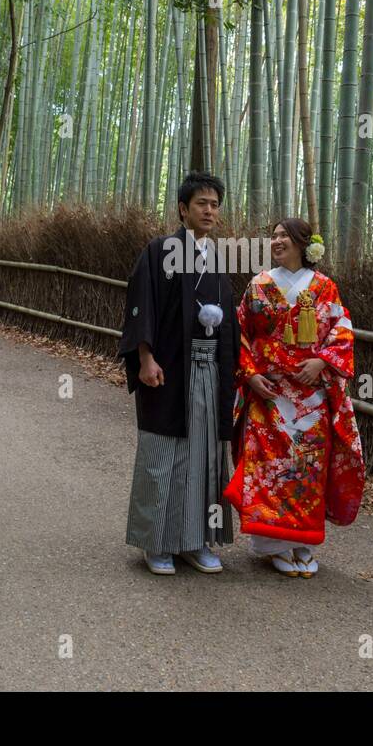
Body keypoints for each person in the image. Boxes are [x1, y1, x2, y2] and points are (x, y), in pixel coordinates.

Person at [223, 219, 365, 577]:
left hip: (310, 401)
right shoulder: (258, 286)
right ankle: (274, 545)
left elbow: (342, 330)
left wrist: (321, 361)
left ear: (304, 244)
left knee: (306, 471)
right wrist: (251, 376)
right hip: (268, 397)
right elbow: (238, 333)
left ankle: (302, 541)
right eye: (273, 236)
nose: (277, 241)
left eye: (284, 235)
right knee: (269, 471)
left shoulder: (324, 287)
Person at [120, 172, 239, 575]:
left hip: (210, 371)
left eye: (215, 205)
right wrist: (145, 358)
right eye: (201, 203)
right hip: (169, 371)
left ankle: (195, 540)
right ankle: (157, 542)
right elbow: (142, 306)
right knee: (163, 454)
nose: (209, 210)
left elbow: (231, 325)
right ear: (183, 209)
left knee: (204, 457)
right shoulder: (160, 251)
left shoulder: (218, 259)